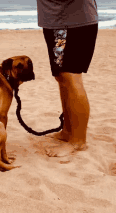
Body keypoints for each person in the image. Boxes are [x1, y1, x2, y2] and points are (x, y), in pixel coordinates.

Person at [36, 0, 98, 157]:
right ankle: (67, 132)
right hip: (55, 23)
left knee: (72, 76)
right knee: (62, 76)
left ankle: (78, 141)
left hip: (76, 23)